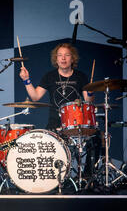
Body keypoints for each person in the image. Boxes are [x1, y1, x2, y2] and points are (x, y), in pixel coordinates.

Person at [19, 42, 100, 177]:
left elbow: (88, 101)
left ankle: (87, 177)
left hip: (76, 123)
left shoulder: (81, 76)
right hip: (55, 123)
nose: (63, 58)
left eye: (67, 55)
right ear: (56, 59)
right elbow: (35, 97)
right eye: (60, 55)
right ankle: (55, 179)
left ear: (72, 58)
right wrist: (26, 80)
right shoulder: (49, 76)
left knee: (96, 139)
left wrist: (90, 92)